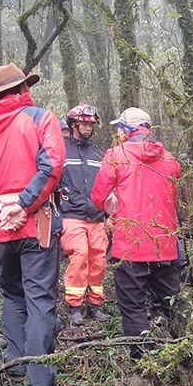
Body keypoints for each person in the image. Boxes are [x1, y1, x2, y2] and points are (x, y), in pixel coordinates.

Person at [0, 63, 65, 386]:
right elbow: (51, 166)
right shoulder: (40, 119)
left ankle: (16, 365)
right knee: (39, 300)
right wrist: (23, 205)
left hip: (0, 229)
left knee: (12, 296)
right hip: (36, 225)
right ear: (23, 89)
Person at [90, 108, 186, 357]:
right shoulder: (171, 159)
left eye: (119, 129)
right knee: (171, 301)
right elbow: (175, 199)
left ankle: (140, 358)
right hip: (164, 244)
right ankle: (185, 349)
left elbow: (99, 196)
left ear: (125, 130)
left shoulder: (117, 154)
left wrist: (113, 208)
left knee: (133, 304)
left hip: (130, 244)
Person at [59, 104, 110, 325]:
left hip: (97, 216)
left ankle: (95, 304)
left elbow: (107, 184)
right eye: (84, 124)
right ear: (74, 125)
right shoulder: (61, 150)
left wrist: (109, 212)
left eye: (91, 124)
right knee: (79, 256)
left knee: (98, 259)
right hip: (71, 215)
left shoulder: (98, 153)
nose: (88, 128)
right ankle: (74, 306)